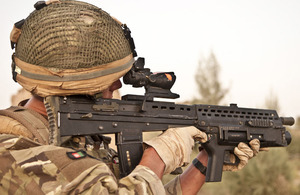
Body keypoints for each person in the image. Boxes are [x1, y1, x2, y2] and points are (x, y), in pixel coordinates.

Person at [0, 0, 262, 194]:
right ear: (77, 84)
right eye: (110, 79)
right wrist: (160, 154)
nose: (117, 84)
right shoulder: (11, 151)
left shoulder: (77, 139)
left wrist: (205, 161)